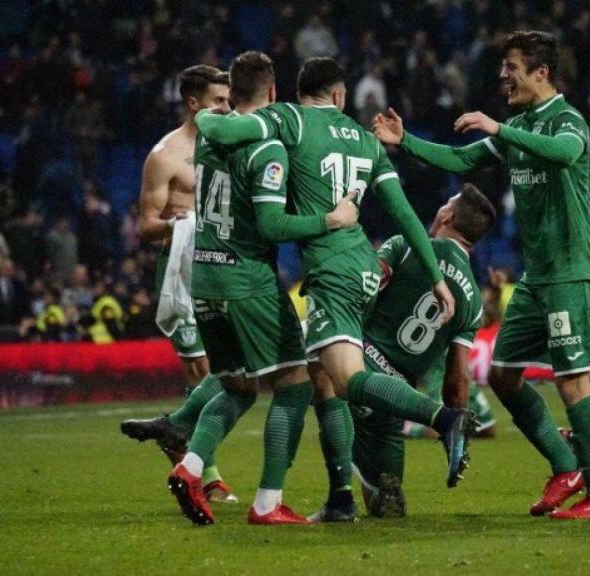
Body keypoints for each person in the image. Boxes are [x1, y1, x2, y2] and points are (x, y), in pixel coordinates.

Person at [195, 57, 475, 522]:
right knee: (317, 381)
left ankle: (443, 419)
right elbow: (405, 213)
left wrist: (204, 115)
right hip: (364, 265)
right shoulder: (367, 140)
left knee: (344, 380)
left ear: (296, 90)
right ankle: (342, 498)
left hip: (331, 269)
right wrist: (435, 276)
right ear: (341, 97)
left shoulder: (288, 118)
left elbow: (223, 134)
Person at [374, 30, 590, 519]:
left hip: (572, 273)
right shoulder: (519, 126)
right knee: (504, 376)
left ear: (541, 72)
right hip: (537, 279)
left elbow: (567, 154)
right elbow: (462, 158)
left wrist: (500, 130)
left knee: (572, 383)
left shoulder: (567, 121)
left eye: (512, 67)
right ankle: (566, 466)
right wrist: (406, 143)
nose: (503, 75)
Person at [162, 51, 361, 526]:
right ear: (273, 94)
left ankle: (190, 468)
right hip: (246, 279)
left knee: (236, 387)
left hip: (204, 277)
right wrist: (330, 218)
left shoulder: (208, 141)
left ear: (233, 92)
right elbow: (272, 225)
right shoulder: (267, 147)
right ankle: (268, 503)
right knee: (295, 386)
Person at [119, 65, 236, 503]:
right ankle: (208, 474)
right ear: (193, 103)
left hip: (225, 264)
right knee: (200, 368)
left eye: (228, 100)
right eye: (218, 100)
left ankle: (178, 436)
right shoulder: (166, 155)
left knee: (227, 370)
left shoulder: (232, 144)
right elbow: (146, 225)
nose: (227, 107)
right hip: (182, 266)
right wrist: (182, 224)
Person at [351, 185, 495, 518]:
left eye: (446, 203)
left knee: (317, 384)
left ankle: (337, 499)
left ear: (447, 216)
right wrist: (454, 429)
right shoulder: (472, 298)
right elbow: (457, 379)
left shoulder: (403, 247)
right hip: (401, 393)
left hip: (362, 362)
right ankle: (383, 492)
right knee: (383, 469)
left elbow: (364, 291)